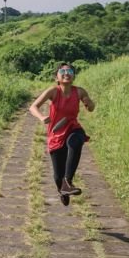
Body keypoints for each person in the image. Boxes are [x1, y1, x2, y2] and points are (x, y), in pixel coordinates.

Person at [29, 63, 95, 206]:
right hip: (56, 134)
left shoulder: (79, 92)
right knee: (57, 176)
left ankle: (68, 182)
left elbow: (91, 107)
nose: (66, 73)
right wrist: (41, 117)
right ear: (56, 77)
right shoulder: (53, 91)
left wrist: (89, 103)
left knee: (76, 141)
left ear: (73, 75)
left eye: (70, 71)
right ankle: (62, 189)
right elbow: (33, 107)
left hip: (72, 127)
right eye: (63, 71)